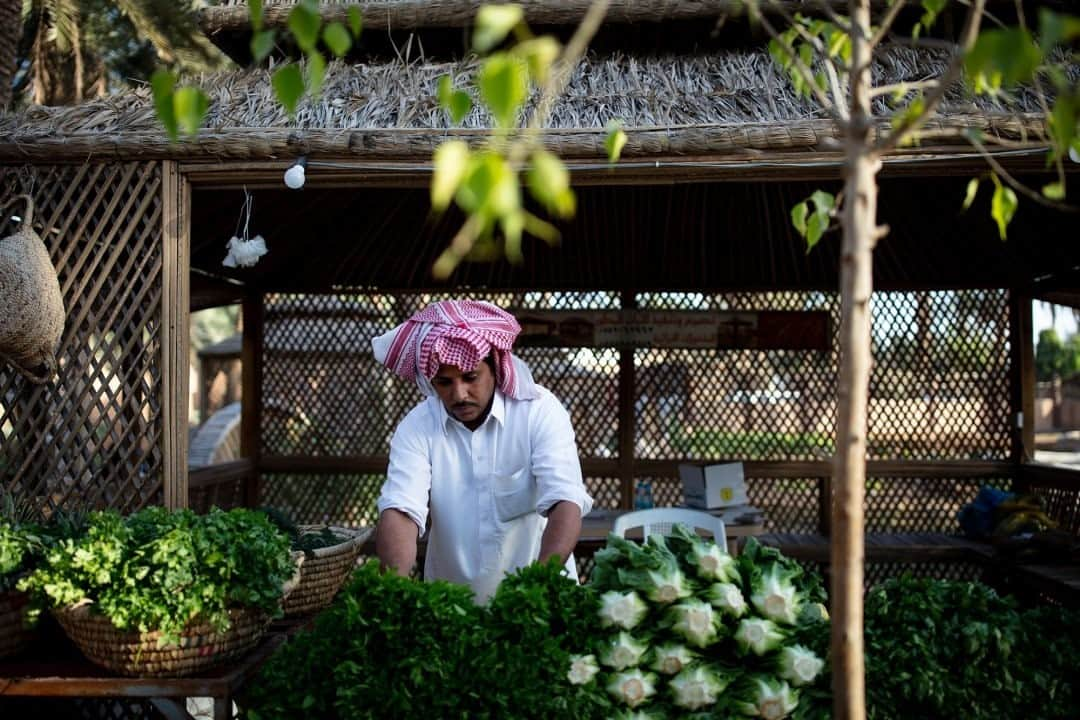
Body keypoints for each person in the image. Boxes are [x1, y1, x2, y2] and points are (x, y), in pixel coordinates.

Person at [371, 299, 593, 601]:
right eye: (445, 382)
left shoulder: (540, 411)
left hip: (541, 597)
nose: (458, 394)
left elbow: (565, 501)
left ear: (496, 368)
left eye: (470, 377)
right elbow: (401, 510)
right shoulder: (417, 427)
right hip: (452, 605)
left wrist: (539, 587)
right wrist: (393, 591)